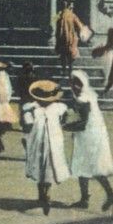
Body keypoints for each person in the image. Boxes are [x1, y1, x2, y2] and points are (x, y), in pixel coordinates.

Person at [66, 70, 113, 211]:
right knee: (83, 164)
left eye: (78, 83)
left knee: (92, 165)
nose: (75, 86)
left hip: (90, 135)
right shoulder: (88, 95)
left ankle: (110, 193)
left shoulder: (83, 99)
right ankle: (84, 198)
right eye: (73, 83)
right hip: (90, 133)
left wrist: (64, 127)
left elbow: (83, 123)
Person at [21, 79, 70, 215]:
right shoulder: (32, 108)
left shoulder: (58, 108)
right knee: (39, 167)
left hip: (53, 143)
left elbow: (64, 119)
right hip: (37, 142)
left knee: (49, 167)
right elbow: (27, 125)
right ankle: (41, 193)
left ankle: (46, 194)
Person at [55, 0, 90, 78]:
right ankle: (70, 71)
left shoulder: (59, 14)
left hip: (61, 38)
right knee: (70, 55)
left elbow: (53, 21)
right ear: (69, 6)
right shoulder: (72, 15)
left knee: (63, 55)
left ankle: (64, 71)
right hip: (71, 38)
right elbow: (80, 26)